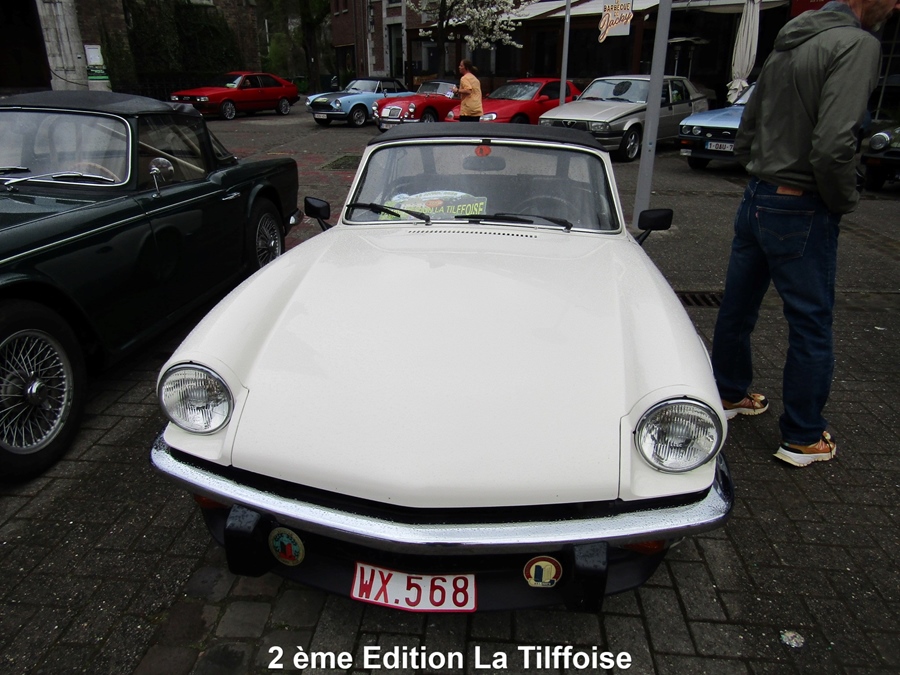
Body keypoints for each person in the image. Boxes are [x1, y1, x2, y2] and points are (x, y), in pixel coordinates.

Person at [710, 0, 899, 467]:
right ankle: (802, 436)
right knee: (810, 324)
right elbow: (834, 144)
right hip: (800, 202)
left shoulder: (787, 42)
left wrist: (758, 171)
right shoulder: (856, 44)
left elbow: (748, 125)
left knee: (737, 307)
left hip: (756, 196)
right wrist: (842, 199)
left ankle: (728, 394)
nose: (897, 5)